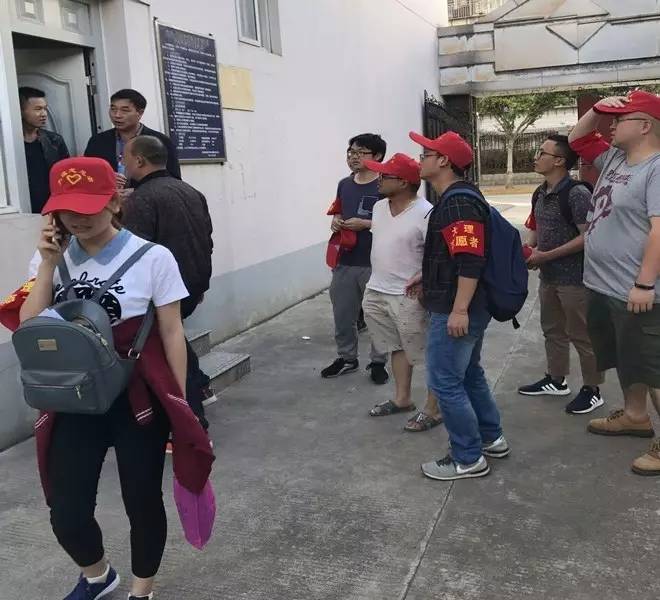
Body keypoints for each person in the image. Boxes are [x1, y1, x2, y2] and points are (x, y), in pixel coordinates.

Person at [16, 156, 212, 599]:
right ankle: (98, 575)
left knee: (141, 501)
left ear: (114, 202)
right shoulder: (50, 259)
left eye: (88, 206)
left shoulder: (153, 257)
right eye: (66, 208)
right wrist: (47, 265)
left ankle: (142, 590)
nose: (77, 218)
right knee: (66, 509)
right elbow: (29, 325)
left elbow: (171, 332)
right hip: (74, 397)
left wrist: (180, 406)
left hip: (136, 397)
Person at [407, 130, 509, 481]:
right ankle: (491, 438)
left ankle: (467, 458)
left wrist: (459, 309)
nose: (420, 160)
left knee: (445, 381)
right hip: (463, 302)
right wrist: (427, 277)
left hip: (459, 307)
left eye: (426, 154)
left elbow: (470, 259)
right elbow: (456, 256)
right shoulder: (456, 199)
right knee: (468, 374)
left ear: (443, 161)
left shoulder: (457, 202)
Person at [568, 90, 660, 476]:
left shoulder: (655, 169)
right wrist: (598, 108)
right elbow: (576, 140)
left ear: (645, 126)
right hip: (603, 284)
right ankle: (635, 416)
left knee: (653, 366)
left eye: (620, 120)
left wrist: (645, 284)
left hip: (634, 289)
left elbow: (659, 230)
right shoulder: (614, 158)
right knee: (624, 357)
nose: (611, 125)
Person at [122, 135, 214, 432]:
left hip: (164, 292)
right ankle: (201, 387)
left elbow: (134, 253)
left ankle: (194, 422)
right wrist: (200, 283)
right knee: (175, 340)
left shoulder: (142, 199)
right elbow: (206, 240)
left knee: (170, 348)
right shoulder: (190, 191)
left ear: (139, 160)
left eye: (125, 158)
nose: (122, 163)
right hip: (192, 282)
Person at [518, 134, 605, 414]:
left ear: (558, 161)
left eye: (541, 152)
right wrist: (530, 249)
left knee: (582, 335)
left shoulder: (577, 194)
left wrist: (546, 256)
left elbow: (587, 237)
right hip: (549, 277)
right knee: (552, 330)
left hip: (575, 280)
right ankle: (556, 380)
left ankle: (593, 390)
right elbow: (535, 227)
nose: (536, 157)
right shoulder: (540, 192)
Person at [359, 152, 442, 430]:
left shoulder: (426, 212)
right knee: (395, 347)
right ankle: (402, 399)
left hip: (408, 295)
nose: (379, 179)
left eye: (385, 175)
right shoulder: (379, 207)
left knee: (426, 353)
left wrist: (424, 280)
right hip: (377, 290)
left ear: (404, 182)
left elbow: (437, 254)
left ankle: (434, 409)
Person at [321, 133, 389, 383]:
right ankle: (347, 358)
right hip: (345, 260)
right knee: (343, 315)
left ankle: (378, 362)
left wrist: (366, 224)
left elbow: (397, 221)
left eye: (361, 152)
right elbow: (338, 209)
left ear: (377, 156)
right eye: (351, 152)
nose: (353, 157)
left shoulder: (386, 184)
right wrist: (336, 220)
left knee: (377, 316)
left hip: (376, 262)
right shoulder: (344, 184)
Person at [84, 89, 181, 190]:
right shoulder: (97, 141)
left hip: (146, 197)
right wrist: (105, 178)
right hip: (108, 198)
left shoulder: (160, 141)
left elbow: (173, 179)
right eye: (113, 109)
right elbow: (85, 174)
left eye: (125, 110)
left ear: (140, 113)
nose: (117, 115)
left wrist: (137, 192)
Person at [19, 86, 70, 213]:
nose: (44, 114)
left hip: (51, 208)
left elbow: (67, 176)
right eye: (38, 109)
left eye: (45, 108)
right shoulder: (7, 145)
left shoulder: (54, 141)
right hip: (19, 209)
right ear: (20, 110)